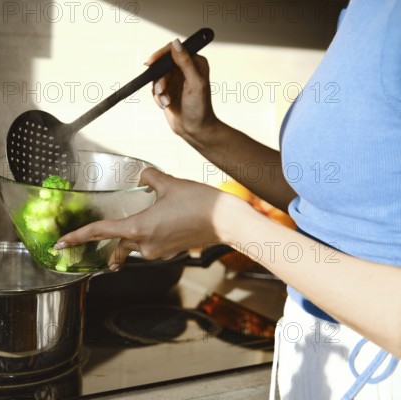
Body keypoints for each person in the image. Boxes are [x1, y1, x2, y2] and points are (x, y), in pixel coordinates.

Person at [55, 0, 401, 398]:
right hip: (319, 342)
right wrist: (205, 131)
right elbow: (338, 202)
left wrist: (226, 223)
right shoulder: (366, 9)